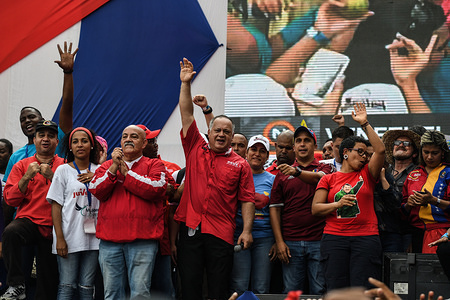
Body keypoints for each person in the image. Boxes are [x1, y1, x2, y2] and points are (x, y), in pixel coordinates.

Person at [176, 58, 255, 300]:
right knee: (189, 288)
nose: (221, 134)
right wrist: (185, 84)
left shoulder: (241, 164)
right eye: (217, 130)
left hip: (221, 233)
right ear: (208, 132)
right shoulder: (195, 146)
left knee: (219, 289)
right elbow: (186, 113)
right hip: (191, 228)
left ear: (232, 137)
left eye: (226, 132)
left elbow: (247, 199)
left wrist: (248, 231)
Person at [89, 125, 168, 299]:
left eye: (134, 136)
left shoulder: (155, 164)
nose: (128, 139)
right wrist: (113, 168)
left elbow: (157, 188)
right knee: (112, 293)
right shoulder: (108, 166)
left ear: (143, 143)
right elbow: (95, 189)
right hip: (110, 242)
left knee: (140, 293)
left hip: (143, 241)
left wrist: (127, 175)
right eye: (124, 136)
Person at [312, 103, 385, 290]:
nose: (364, 157)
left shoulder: (367, 174)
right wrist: (337, 204)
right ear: (345, 153)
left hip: (366, 238)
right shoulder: (328, 179)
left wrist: (364, 123)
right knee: (337, 290)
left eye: (365, 154)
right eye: (359, 152)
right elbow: (316, 208)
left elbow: (380, 151)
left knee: (364, 291)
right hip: (335, 239)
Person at [2, 120, 65, 300]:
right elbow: (10, 199)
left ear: (57, 142)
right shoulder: (22, 165)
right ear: (35, 139)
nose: (46, 139)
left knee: (47, 286)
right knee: (11, 232)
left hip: (54, 229)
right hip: (28, 223)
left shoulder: (65, 165)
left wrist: (52, 176)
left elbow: (72, 198)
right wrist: (27, 176)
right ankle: (16, 284)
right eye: (41, 135)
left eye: (50, 136)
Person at [270, 126, 332, 294]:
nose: (302, 144)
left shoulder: (325, 168)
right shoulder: (282, 174)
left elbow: (322, 179)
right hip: (290, 243)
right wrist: (280, 241)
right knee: (291, 292)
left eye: (307, 141)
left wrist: (296, 172)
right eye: (298, 141)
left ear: (314, 145)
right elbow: (275, 209)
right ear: (294, 147)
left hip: (319, 241)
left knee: (319, 291)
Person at [3, 41, 76, 183]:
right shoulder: (16, 157)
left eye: (31, 117)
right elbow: (9, 194)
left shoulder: (57, 139)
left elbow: (67, 105)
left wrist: (68, 72)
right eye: (22, 120)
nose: (27, 121)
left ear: (42, 120)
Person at [46, 127, 100, 300]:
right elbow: (56, 206)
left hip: (95, 238)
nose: (80, 145)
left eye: (84, 141)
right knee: (67, 286)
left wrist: (98, 177)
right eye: (75, 141)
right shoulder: (63, 171)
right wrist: (59, 238)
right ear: (70, 147)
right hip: (68, 238)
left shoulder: (100, 171)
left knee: (87, 287)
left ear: (92, 145)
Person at [137, 123, 180, 299]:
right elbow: (164, 189)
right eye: (150, 141)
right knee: (138, 288)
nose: (155, 144)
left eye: (155, 140)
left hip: (160, 238)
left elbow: (174, 193)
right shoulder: (120, 166)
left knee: (164, 289)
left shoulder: (160, 165)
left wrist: (195, 171)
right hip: (135, 239)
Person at [230, 135, 275, 294]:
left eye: (262, 151)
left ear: (267, 157)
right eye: (253, 150)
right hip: (238, 235)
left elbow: (277, 213)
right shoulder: (236, 175)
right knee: (239, 285)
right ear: (247, 153)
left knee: (261, 286)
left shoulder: (273, 180)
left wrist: (277, 240)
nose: (257, 154)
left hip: (265, 238)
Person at [401, 130, 450, 254]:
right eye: (426, 152)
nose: (429, 157)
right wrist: (408, 204)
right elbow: (401, 210)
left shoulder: (448, 173)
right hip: (414, 234)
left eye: (435, 153)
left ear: (443, 153)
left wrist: (434, 201)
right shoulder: (413, 174)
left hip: (442, 231)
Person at [382, 129, 422, 252]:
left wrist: (411, 239)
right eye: (397, 142)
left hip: (407, 232)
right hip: (382, 230)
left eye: (406, 144)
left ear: (415, 153)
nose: (400, 145)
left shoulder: (419, 173)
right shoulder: (384, 171)